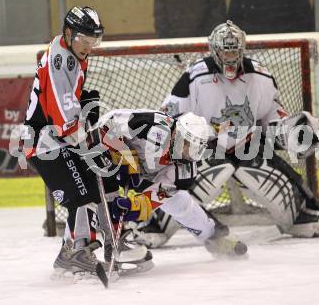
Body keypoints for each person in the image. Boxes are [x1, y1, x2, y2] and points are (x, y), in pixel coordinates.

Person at [132, 20, 319, 248]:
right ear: (214, 51)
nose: (230, 58)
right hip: (203, 150)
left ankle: (305, 211)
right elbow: (170, 119)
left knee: (306, 222)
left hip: (249, 148)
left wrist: (297, 131)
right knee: (180, 183)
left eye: (234, 52)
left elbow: (274, 122)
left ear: (242, 49)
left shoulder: (261, 77)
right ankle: (153, 224)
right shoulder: (194, 78)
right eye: (225, 52)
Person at [21, 6, 152, 280]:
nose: (89, 47)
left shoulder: (73, 54)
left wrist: (81, 107)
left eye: (94, 41)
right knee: (82, 194)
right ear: (68, 33)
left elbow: (65, 108)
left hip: (62, 138)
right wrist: (82, 124)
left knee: (108, 178)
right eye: (84, 40)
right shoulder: (60, 61)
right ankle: (75, 253)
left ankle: (115, 239)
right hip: (46, 143)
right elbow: (61, 119)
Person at [97, 109, 248, 258]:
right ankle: (101, 242)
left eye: (195, 147)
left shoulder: (185, 174)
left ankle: (216, 237)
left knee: (182, 205)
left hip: (146, 176)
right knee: (105, 185)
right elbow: (105, 125)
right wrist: (123, 152)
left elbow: (152, 199)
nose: (188, 151)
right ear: (176, 133)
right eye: (186, 143)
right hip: (111, 156)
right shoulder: (149, 125)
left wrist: (133, 206)